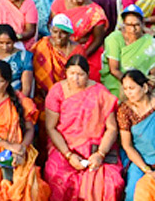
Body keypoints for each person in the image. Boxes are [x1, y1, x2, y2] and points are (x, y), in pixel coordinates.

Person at [43, 54, 125, 201]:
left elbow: (112, 128)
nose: (76, 78)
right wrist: (68, 155)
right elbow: (51, 128)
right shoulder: (57, 91)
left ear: (88, 74)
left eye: (80, 74)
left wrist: (100, 154)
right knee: (56, 175)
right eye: (72, 74)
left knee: (111, 182)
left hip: (97, 147)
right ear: (65, 73)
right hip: (64, 146)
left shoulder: (100, 92)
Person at [0, 60, 48, 201]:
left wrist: (22, 148)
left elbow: (29, 129)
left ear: (8, 82)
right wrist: (7, 145)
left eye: (0, 82)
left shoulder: (18, 99)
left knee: (30, 187)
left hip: (16, 153)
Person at [50, 0, 109, 81]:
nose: (74, 1)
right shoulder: (59, 2)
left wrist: (82, 55)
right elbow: (51, 23)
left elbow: (98, 40)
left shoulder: (95, 12)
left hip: (85, 51)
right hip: (59, 46)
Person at [118, 69, 155, 201]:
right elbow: (127, 146)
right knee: (132, 192)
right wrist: (146, 169)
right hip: (140, 160)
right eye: (126, 89)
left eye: (132, 88)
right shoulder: (124, 111)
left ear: (144, 87)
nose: (128, 92)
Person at [34, 14, 86, 106]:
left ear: (69, 34)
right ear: (50, 30)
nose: (58, 36)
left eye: (63, 32)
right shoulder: (43, 45)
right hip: (43, 94)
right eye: (55, 32)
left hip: (70, 93)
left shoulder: (77, 50)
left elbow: (81, 74)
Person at [103, 7, 155, 99]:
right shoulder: (114, 38)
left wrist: (143, 84)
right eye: (129, 25)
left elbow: (152, 71)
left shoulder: (150, 42)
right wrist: (131, 84)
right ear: (123, 24)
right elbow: (114, 70)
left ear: (142, 24)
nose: (133, 29)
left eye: (137, 25)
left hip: (142, 82)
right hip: (118, 81)